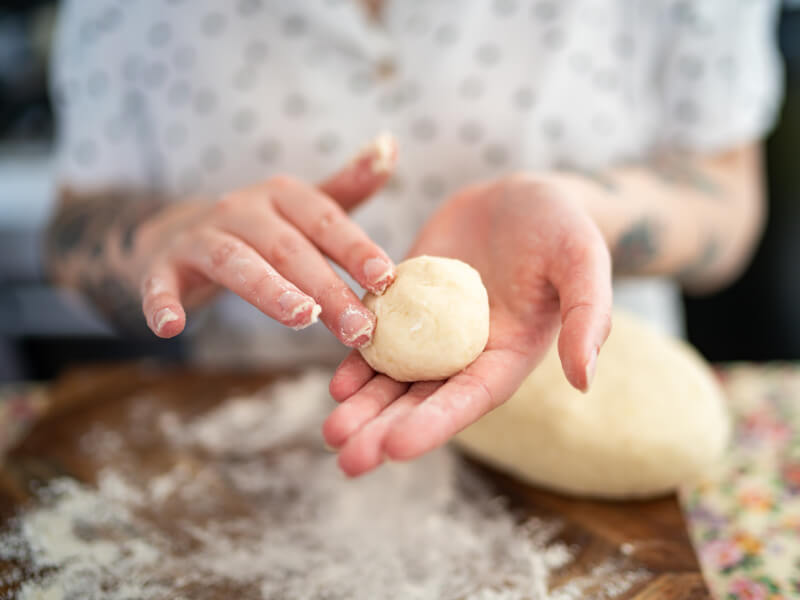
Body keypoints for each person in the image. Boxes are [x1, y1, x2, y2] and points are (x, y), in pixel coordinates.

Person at [46, 0, 783, 476]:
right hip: (269, 447)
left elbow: (727, 196)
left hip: (589, 400)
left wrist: (588, 210)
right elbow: (74, 231)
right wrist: (169, 237)